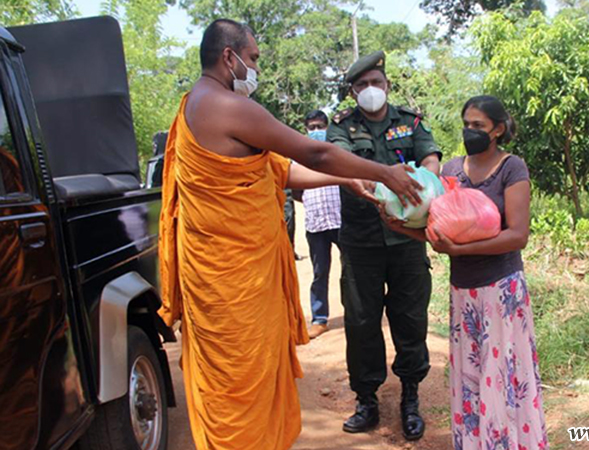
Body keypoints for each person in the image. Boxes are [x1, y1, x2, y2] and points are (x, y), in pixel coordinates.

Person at [157, 20, 423, 450]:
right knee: (240, 382)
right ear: (230, 57)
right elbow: (314, 151)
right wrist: (383, 173)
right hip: (232, 285)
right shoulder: (229, 106)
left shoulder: (196, 104)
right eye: (254, 58)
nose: (256, 68)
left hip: (224, 280)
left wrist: (344, 180)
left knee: (241, 380)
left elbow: (280, 170)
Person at [384, 95, 548, 450]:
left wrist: (460, 251)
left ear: (498, 130)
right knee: (472, 378)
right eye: (466, 124)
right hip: (465, 293)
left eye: (478, 126)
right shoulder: (451, 171)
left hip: (501, 292)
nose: (470, 132)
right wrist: (400, 226)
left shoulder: (511, 168)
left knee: (504, 377)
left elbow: (517, 235)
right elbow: (436, 230)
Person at [326, 50, 441, 441]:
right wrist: (359, 185)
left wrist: (425, 188)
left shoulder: (410, 121)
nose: (370, 90)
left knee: (411, 318)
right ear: (352, 92)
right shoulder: (341, 125)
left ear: (387, 86)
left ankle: (410, 396)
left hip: (408, 239)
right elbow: (338, 164)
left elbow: (430, 158)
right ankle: (367, 399)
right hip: (360, 241)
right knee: (361, 322)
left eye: (376, 83)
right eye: (361, 85)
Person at [293, 110, 341, 339]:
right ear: (305, 129)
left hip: (341, 219)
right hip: (316, 223)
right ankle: (320, 319)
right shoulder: (298, 157)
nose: (316, 131)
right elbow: (296, 192)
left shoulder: (337, 153)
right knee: (320, 272)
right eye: (312, 127)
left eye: (320, 126)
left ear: (327, 127)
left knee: (352, 270)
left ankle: (356, 312)